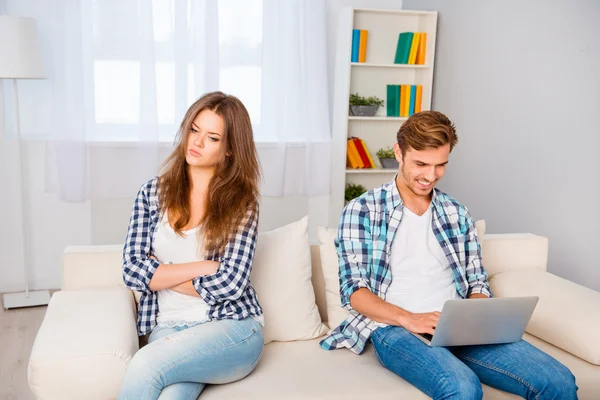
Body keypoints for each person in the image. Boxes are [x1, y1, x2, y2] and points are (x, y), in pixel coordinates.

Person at [320, 111, 577, 399]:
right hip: (395, 327)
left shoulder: (456, 212)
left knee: (558, 381)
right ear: (399, 152)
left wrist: (476, 315)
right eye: (421, 164)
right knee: (462, 388)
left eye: (440, 165)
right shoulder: (363, 210)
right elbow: (354, 291)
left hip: (458, 324)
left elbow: (477, 281)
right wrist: (409, 318)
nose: (430, 176)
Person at [119, 91, 264, 400]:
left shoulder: (242, 203)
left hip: (232, 327)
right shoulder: (152, 193)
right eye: (194, 130)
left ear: (229, 150)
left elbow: (230, 284)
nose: (196, 142)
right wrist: (203, 267)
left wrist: (161, 275)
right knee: (172, 395)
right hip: (169, 326)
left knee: (145, 363)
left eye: (212, 137)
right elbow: (132, 271)